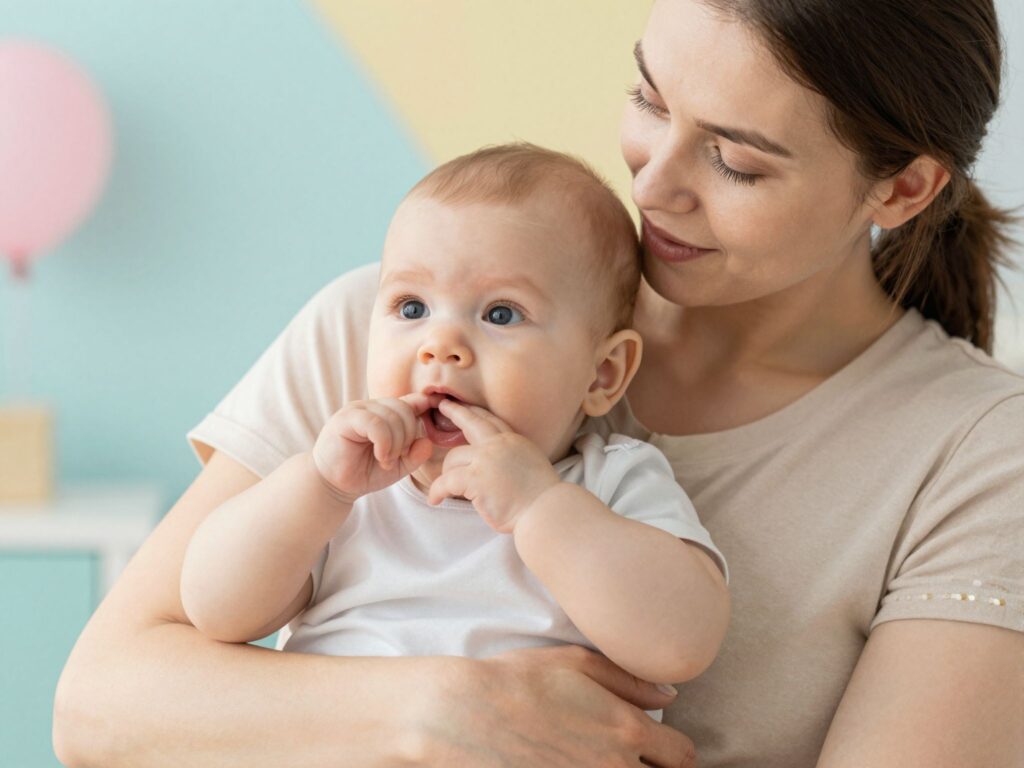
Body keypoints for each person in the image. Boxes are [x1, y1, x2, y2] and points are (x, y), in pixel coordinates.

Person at [54, 0, 1023, 766]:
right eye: (648, 100)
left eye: (733, 160)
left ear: (900, 189)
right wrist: (437, 711)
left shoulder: (976, 453)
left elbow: (678, 632)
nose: (651, 185)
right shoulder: (386, 330)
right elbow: (101, 709)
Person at [176, 144, 730, 726]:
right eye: (411, 307)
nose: (439, 345)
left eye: (500, 314)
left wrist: (538, 505)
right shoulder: (352, 490)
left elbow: (680, 644)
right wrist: (317, 486)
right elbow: (216, 610)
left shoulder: (611, 481)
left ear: (602, 373)